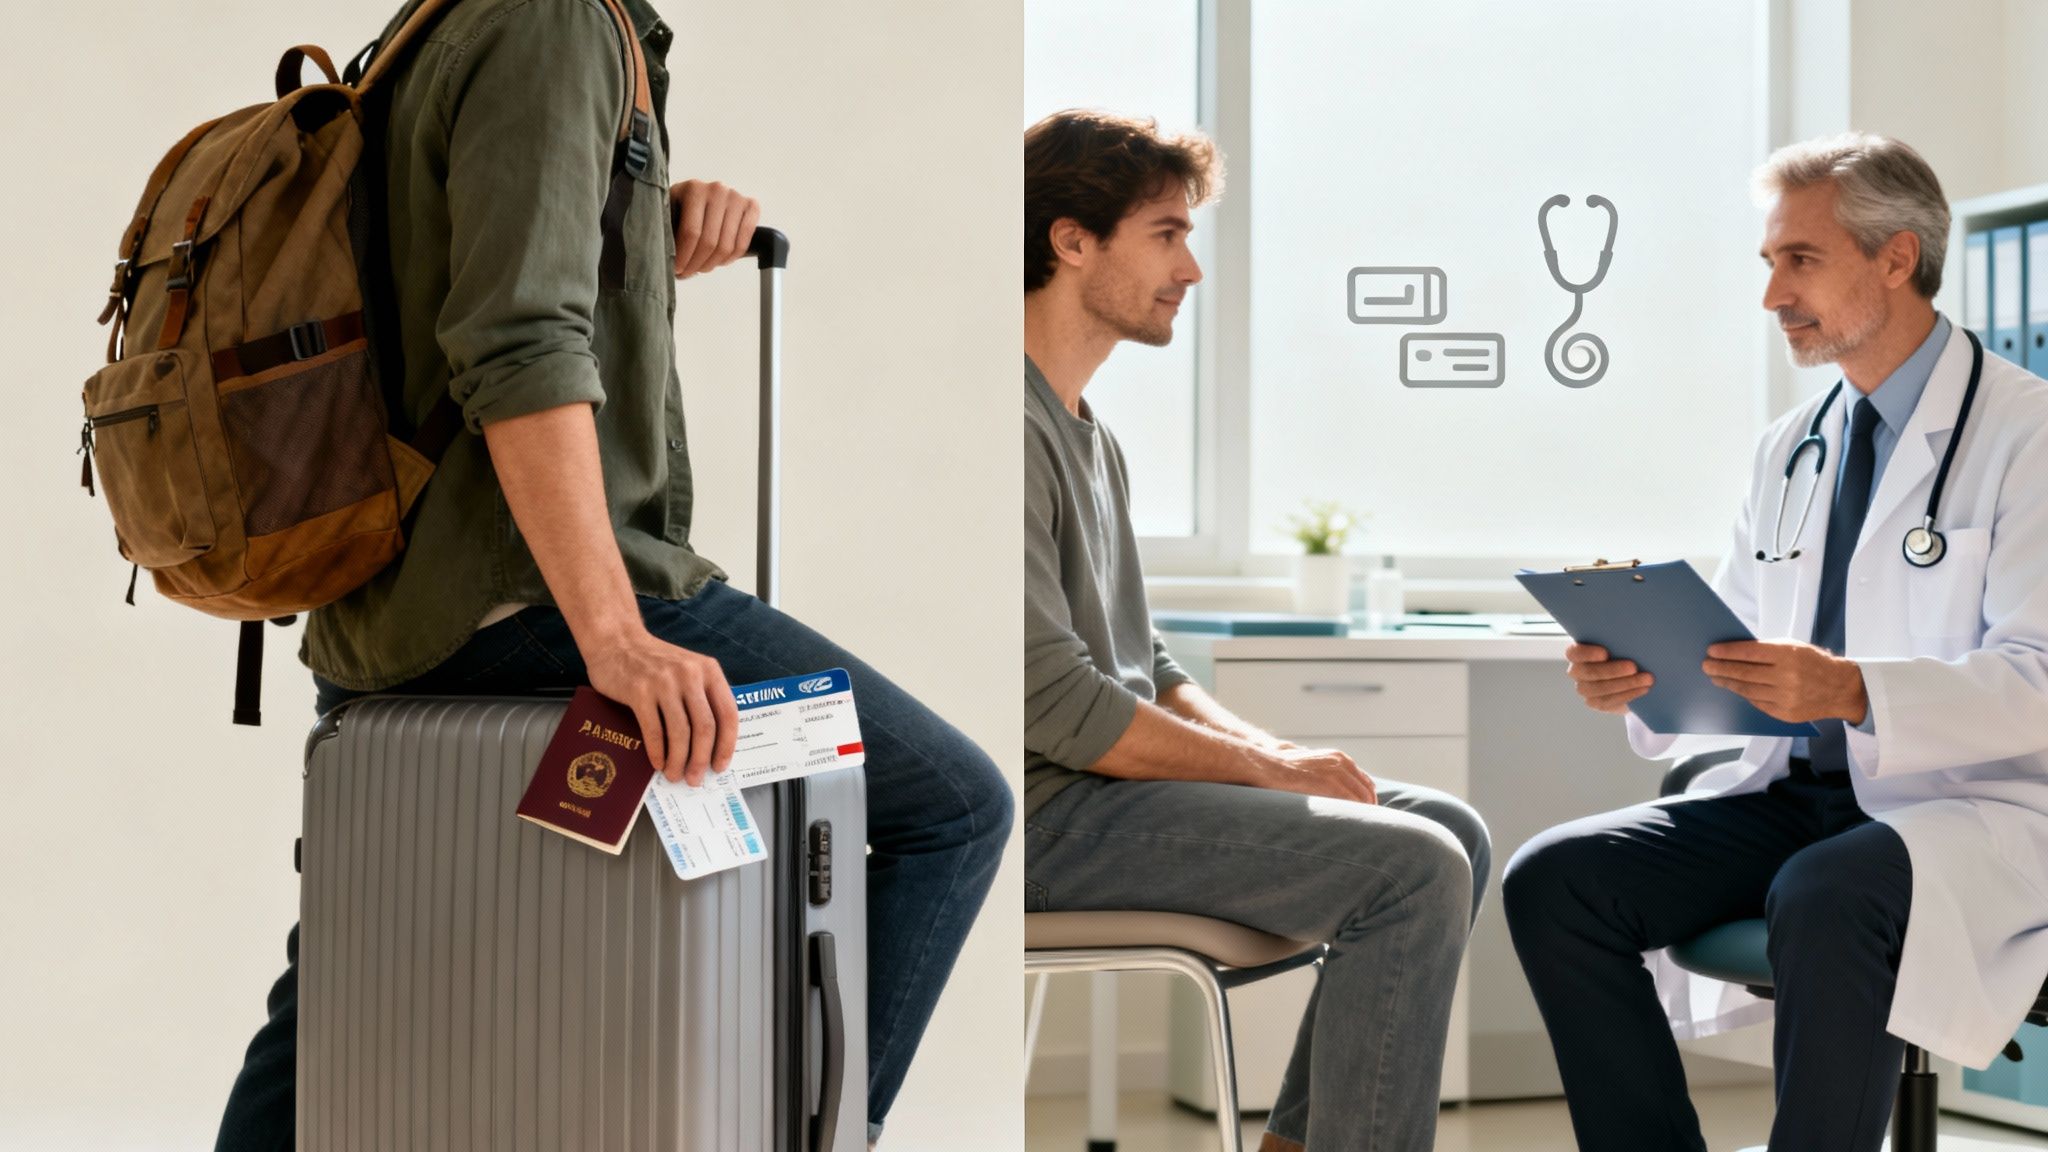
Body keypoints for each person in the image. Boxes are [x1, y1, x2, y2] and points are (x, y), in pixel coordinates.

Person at [211, 2, 1012, 1148]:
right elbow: (515, 338)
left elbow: (443, 263)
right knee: (951, 807)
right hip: (528, 592)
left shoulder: (442, 17)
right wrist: (614, 633)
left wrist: (639, 217)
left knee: (348, 954)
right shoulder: (550, 19)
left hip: (388, 599)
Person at [1502, 132, 2048, 1152]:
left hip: (1973, 806)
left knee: (1826, 891)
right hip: (1790, 796)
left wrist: (1851, 693)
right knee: (1553, 880)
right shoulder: (1788, 448)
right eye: (1768, 264)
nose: (1771, 296)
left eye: (1798, 260)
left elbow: (2039, 681)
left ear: (1895, 255)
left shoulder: (2030, 437)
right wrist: (1643, 676)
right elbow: (1743, 649)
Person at [1021, 108, 1491, 1152]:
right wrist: (1267, 776)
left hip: (1104, 794)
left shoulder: (1087, 432)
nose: (1188, 269)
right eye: (1165, 234)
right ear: (1070, 239)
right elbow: (1055, 700)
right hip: (1046, 816)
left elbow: (1151, 664)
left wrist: (1271, 753)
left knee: (1448, 830)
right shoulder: (1003, 428)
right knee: (1411, 869)